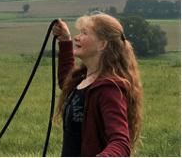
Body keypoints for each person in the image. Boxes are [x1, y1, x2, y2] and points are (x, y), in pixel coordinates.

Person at [52, 13, 142, 157]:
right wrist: (64, 40)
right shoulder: (82, 79)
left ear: (102, 44)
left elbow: (120, 142)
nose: (77, 37)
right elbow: (66, 82)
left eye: (84, 33)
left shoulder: (109, 90)